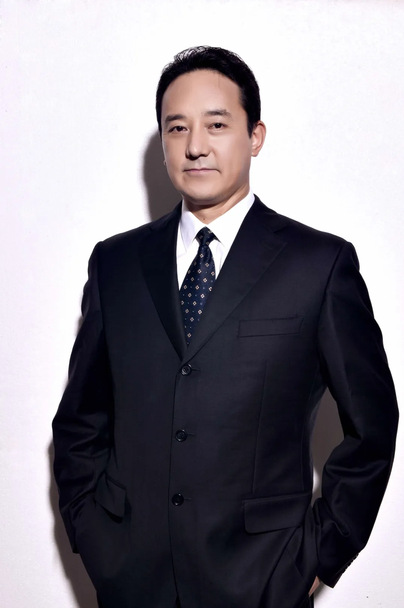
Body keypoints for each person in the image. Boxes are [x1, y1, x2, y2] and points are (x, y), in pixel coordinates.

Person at [52, 46, 398, 608]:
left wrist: (319, 556)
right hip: (131, 579)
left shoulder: (319, 265)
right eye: (177, 128)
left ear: (254, 136)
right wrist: (92, 534)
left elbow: (373, 426)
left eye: (217, 124)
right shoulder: (115, 263)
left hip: (261, 578)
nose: (195, 145)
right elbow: (80, 420)